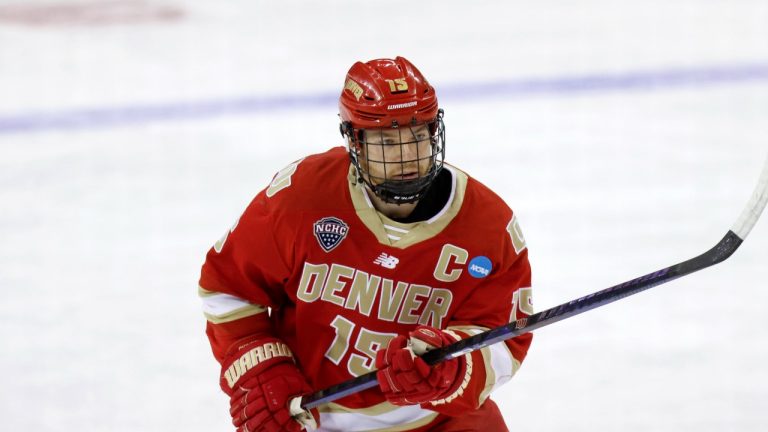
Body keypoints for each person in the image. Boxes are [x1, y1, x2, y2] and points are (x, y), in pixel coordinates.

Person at [199, 56, 534, 432]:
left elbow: (504, 338)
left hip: (438, 421)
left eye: (417, 135)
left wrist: (452, 367)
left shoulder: (488, 226)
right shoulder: (301, 198)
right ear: (354, 141)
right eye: (387, 141)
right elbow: (228, 287)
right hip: (312, 418)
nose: (407, 155)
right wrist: (262, 370)